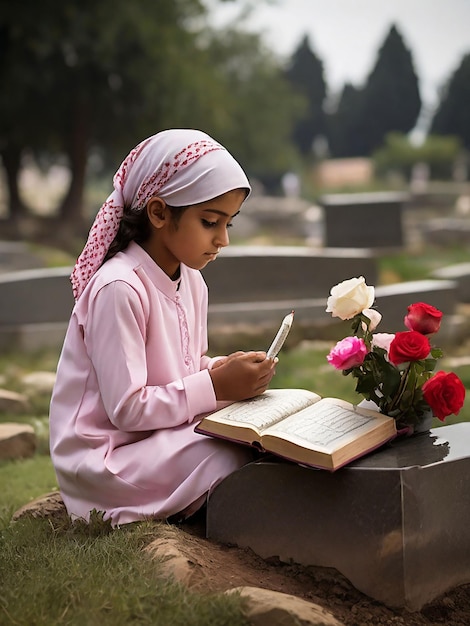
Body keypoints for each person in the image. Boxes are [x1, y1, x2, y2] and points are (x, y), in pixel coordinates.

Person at [49, 129, 276, 526]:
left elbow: (185, 367)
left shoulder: (192, 280)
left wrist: (221, 370)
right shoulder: (118, 288)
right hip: (108, 459)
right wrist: (217, 387)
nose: (222, 239)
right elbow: (128, 409)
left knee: (268, 422)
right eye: (209, 222)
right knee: (228, 452)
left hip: (160, 439)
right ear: (158, 213)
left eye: (229, 224)